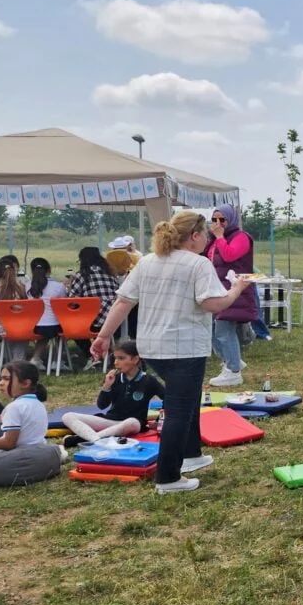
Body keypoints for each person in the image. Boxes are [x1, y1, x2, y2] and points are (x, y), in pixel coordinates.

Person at [90, 210, 254, 494]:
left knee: (187, 400)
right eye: (205, 234)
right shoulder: (198, 264)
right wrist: (237, 288)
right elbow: (213, 304)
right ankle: (168, 478)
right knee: (179, 409)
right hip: (184, 348)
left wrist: (104, 336)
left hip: (151, 347)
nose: (207, 239)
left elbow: (123, 302)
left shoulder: (147, 262)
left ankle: (191, 453)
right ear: (195, 236)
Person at [62, 340, 164, 447]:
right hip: (110, 421)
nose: (116, 362)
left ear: (135, 359)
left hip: (133, 424)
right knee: (68, 416)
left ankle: (81, 439)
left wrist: (155, 417)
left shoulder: (148, 380)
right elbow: (102, 405)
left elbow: (167, 399)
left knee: (131, 422)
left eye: (121, 358)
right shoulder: (115, 378)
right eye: (115, 358)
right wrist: (107, 386)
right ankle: (95, 439)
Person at [204, 204, 259, 387]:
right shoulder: (214, 240)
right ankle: (232, 359)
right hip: (218, 289)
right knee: (213, 329)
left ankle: (233, 371)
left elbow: (229, 256)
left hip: (235, 289)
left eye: (222, 219)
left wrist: (220, 237)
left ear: (231, 219)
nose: (218, 223)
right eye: (214, 220)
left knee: (224, 329)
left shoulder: (241, 237)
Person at [65, 247, 120, 367]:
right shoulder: (111, 274)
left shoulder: (81, 275)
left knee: (73, 330)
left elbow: (71, 301)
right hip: (112, 319)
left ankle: (91, 356)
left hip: (91, 321)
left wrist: (69, 287)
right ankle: (105, 354)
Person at [25, 257, 67, 366]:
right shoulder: (58, 286)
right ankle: (57, 360)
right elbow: (64, 305)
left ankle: (36, 357)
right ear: (49, 270)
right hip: (52, 326)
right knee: (64, 328)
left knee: (46, 332)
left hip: (32, 326)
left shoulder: (27, 285)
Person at [0, 255, 27, 365]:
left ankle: (8, 359)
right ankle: (19, 361)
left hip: (1, 328)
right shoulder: (21, 289)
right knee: (20, 331)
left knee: (8, 328)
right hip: (20, 328)